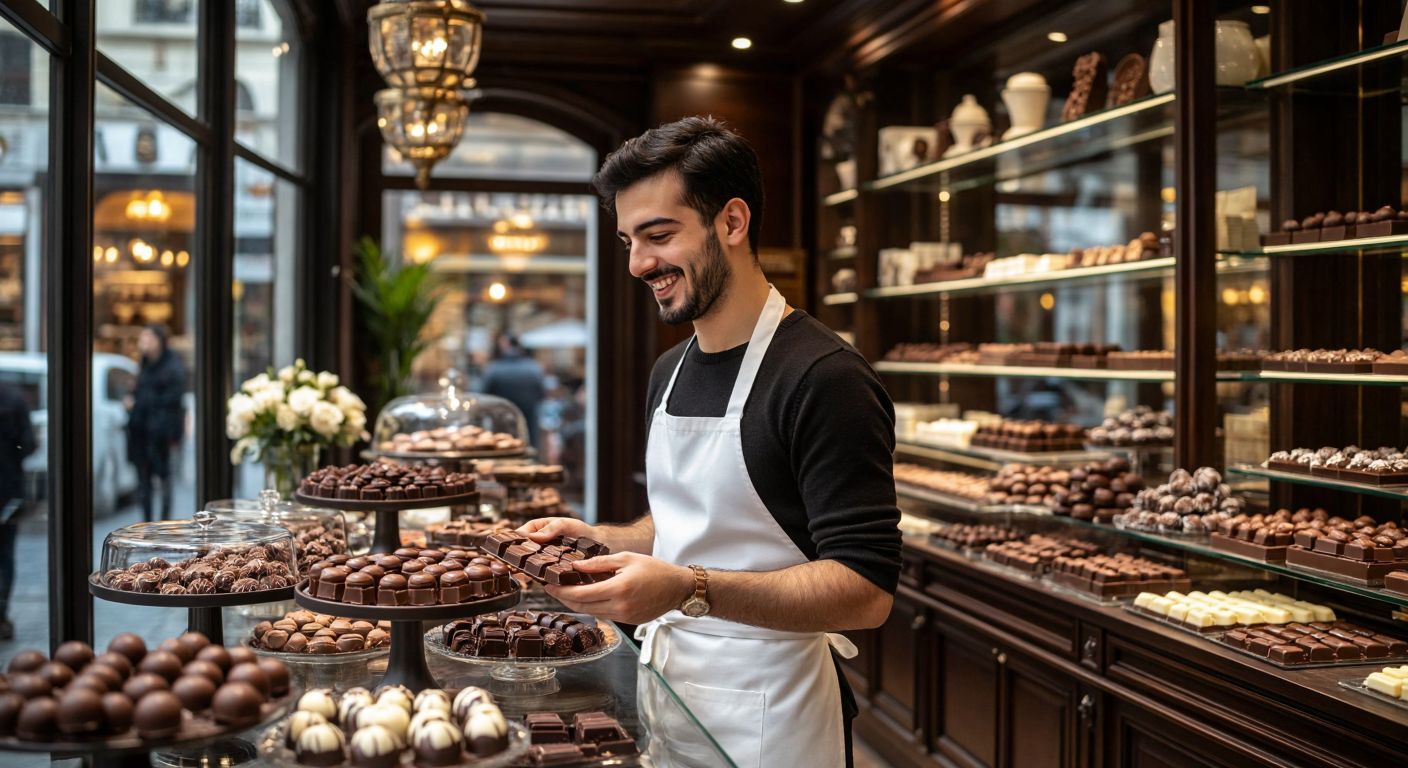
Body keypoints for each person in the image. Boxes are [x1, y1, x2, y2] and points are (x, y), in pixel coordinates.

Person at [521, 116, 902, 768]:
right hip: (670, 689)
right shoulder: (669, 372)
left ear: (732, 221)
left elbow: (866, 591)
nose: (639, 264)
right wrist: (604, 541)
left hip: (775, 717)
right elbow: (690, 521)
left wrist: (685, 589)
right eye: (628, 242)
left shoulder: (825, 377)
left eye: (659, 235)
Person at [126, 324, 186, 522]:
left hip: (162, 433)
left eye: (148, 338)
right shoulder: (144, 364)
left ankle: (163, 523)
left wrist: (139, 402)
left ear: (159, 340)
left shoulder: (172, 364)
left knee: (164, 477)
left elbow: (173, 397)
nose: (144, 343)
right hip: (141, 432)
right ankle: (147, 524)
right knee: (144, 480)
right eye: (142, 338)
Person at [0, 381, 34, 640]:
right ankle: (1, 615)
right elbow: (28, 443)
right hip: (7, 486)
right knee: (5, 552)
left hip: (8, 484)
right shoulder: (14, 398)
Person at [481, 334, 547, 451]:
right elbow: (541, 394)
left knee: (502, 447)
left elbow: (485, 394)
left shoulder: (494, 368)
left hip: (501, 419)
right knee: (529, 447)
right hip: (529, 419)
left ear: (506, 345)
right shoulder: (533, 367)